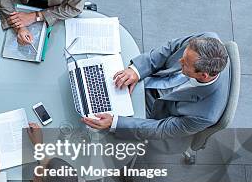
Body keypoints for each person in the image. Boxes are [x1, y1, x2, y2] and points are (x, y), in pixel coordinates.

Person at [83, 33, 230, 152]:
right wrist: (136, 71)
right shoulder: (205, 39)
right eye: (183, 57)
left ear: (203, 75)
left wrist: (115, 123)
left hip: (155, 113)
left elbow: (161, 129)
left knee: (92, 132)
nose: (180, 61)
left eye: (185, 63)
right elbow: (171, 48)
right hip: (150, 79)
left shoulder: (205, 115)